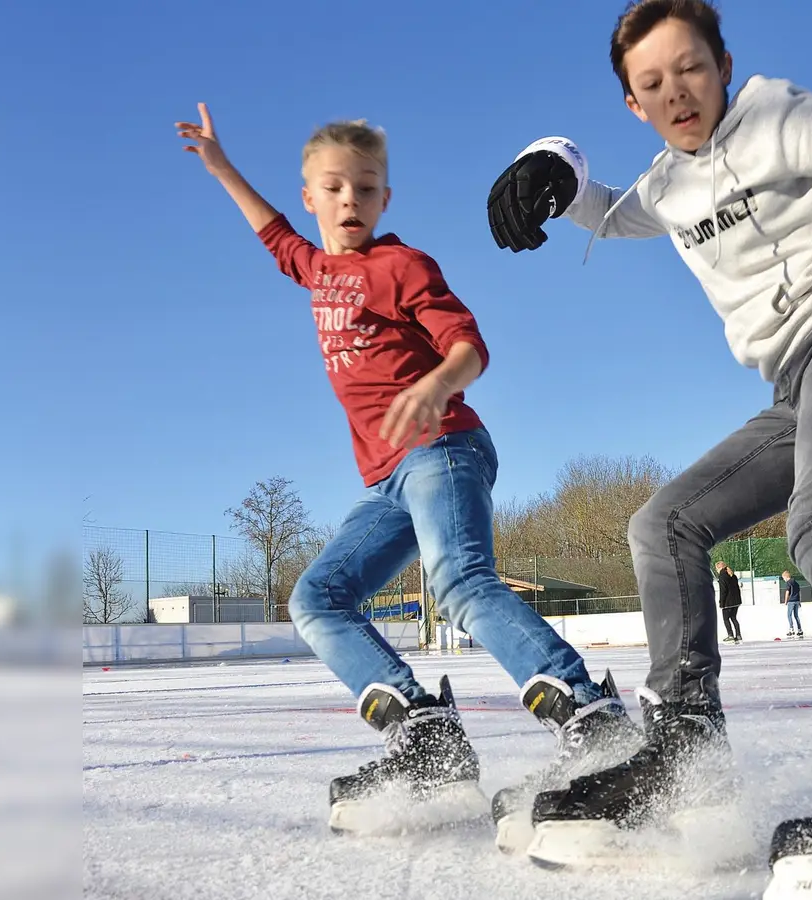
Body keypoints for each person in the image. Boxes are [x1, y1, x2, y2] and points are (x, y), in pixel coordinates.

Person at [484, 0, 812, 872]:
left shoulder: (776, 120)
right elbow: (606, 211)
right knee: (663, 524)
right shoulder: (668, 187)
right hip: (797, 388)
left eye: (690, 68)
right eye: (652, 83)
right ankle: (687, 755)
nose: (677, 92)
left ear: (722, 65)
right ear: (634, 105)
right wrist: (548, 164)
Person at [175, 107, 639, 847]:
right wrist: (222, 165)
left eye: (365, 187)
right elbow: (273, 239)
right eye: (334, 188)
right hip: (385, 480)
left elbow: (470, 347)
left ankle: (589, 714)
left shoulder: (402, 266)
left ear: (384, 199)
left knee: (458, 584)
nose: (350, 200)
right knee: (317, 597)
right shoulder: (317, 270)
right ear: (312, 197)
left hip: (444, 446)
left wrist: (436, 386)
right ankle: (426, 736)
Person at [715, 561, 742, 643]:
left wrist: (721, 603)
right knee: (733, 618)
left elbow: (723, 591)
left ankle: (730, 635)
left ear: (719, 568)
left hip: (728, 602)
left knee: (726, 619)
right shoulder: (732, 575)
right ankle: (738, 635)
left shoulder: (722, 576)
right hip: (736, 601)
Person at [782, 570, 804, 638]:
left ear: (786, 576)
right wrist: (799, 601)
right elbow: (799, 592)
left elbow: (787, 592)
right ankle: (800, 630)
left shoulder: (789, 583)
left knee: (789, 615)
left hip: (791, 601)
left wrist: (785, 601)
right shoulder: (796, 583)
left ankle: (791, 629)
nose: (784, 579)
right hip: (797, 600)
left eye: (783, 578)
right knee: (796, 616)